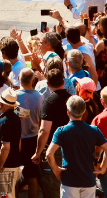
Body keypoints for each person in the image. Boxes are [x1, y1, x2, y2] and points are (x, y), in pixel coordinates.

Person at [46, 95, 107, 198]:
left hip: (69, 180)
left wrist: (56, 169)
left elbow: (49, 153)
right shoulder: (94, 130)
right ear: (84, 111)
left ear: (68, 111)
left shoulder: (61, 131)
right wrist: (102, 168)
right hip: (88, 180)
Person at [32, 68, 70, 198]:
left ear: (47, 84)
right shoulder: (72, 99)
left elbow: (44, 131)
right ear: (63, 82)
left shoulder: (49, 102)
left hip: (55, 150)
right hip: (73, 147)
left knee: (53, 187)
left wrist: (38, 153)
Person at [15, 69, 43, 198]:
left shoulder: (13, 96)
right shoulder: (40, 97)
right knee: (32, 177)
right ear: (33, 80)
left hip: (16, 140)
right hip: (33, 140)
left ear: (19, 77)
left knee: (13, 177)